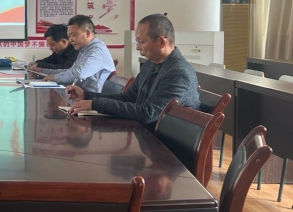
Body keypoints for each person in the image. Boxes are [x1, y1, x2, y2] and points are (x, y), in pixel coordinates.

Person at [67, 14, 201, 131]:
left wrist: (94, 104)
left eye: (141, 42)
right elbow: (128, 98)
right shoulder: (150, 64)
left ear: (161, 42)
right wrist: (86, 95)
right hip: (144, 134)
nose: (137, 47)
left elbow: (148, 113)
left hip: (164, 145)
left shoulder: (178, 73)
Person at [44, 14, 114, 92]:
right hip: (80, 93)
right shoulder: (84, 50)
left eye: (73, 35)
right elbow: (71, 71)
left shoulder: (97, 50)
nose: (70, 40)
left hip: (90, 97)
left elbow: (79, 73)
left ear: (87, 33)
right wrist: (46, 72)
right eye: (69, 36)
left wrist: (55, 77)